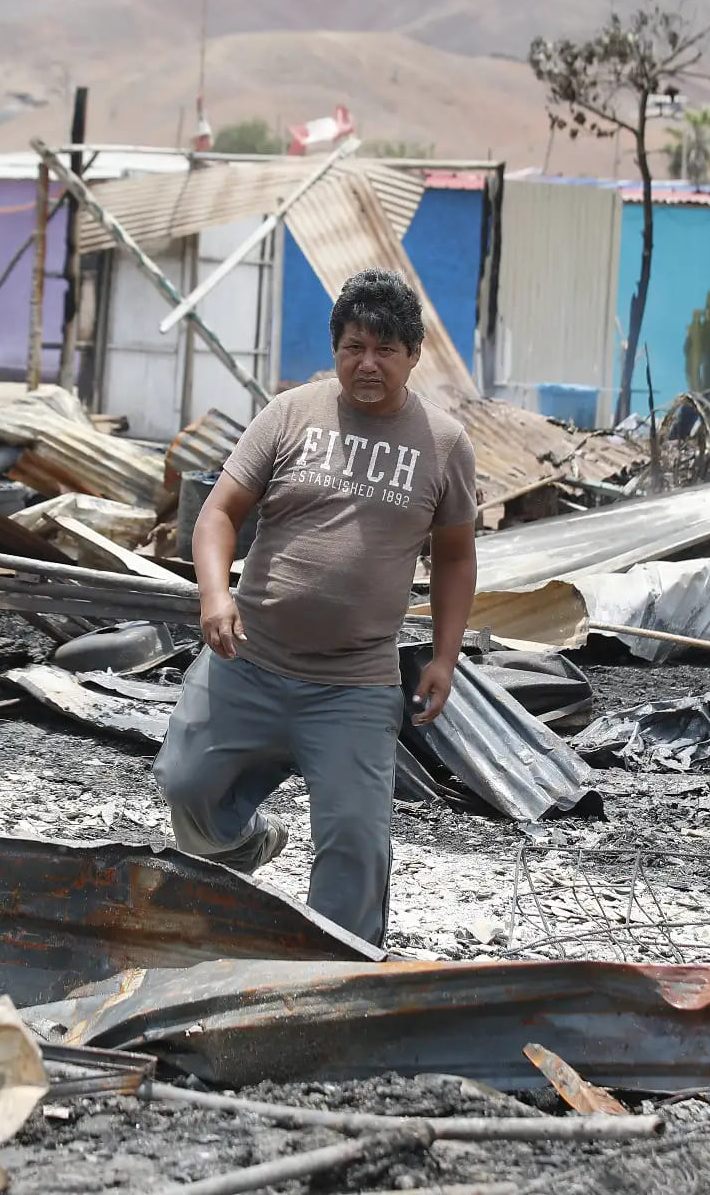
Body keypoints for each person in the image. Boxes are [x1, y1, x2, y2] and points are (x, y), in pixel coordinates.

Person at [152, 268, 478, 946]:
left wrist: (445, 657)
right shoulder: (290, 414)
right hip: (250, 659)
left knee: (357, 847)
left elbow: (453, 556)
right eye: (354, 346)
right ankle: (246, 848)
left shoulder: (443, 444)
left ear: (414, 356)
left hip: (354, 685)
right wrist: (215, 595)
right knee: (186, 786)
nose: (367, 364)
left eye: (386, 350)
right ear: (335, 349)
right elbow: (218, 515)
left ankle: (337, 973)